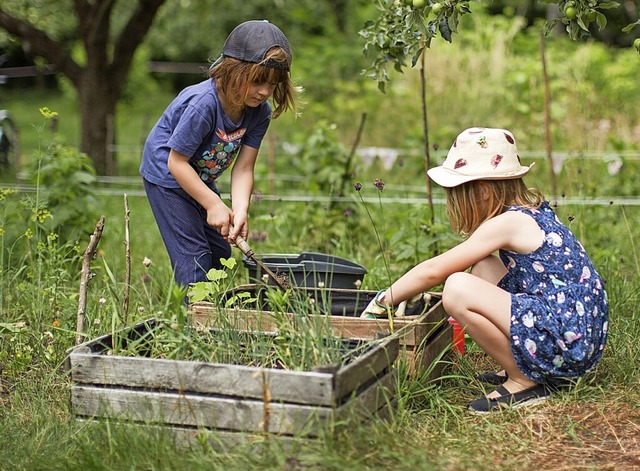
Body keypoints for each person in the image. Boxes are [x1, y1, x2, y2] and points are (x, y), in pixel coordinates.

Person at [361, 127, 609, 413]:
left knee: (456, 288)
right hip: (573, 329)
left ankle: (524, 380)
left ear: (482, 192)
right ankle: (528, 364)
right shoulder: (528, 210)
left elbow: (434, 271)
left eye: (457, 194)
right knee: (483, 266)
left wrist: (383, 300)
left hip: (568, 340)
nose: (453, 203)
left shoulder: (507, 223)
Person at [140, 20, 298, 288]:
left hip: (199, 175)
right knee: (195, 257)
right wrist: (213, 204)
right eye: (258, 81)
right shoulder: (203, 105)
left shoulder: (259, 112)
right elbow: (176, 162)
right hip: (167, 174)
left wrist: (240, 209)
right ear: (232, 71)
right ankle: (193, 323)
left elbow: (244, 168)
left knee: (221, 252)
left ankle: (211, 309)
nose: (264, 92)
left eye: (272, 85)